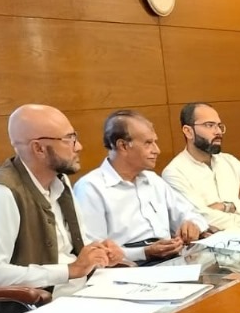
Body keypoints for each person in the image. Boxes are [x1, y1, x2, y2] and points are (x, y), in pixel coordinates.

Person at [0, 104, 121, 313]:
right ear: (39, 148)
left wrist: (98, 253)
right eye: (69, 139)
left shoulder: (60, 180)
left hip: (77, 299)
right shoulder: (3, 192)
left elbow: (69, 250)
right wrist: (70, 270)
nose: (79, 146)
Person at [74, 110, 208, 263]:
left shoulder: (153, 181)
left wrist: (192, 225)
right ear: (123, 146)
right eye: (148, 143)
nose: (157, 150)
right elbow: (93, 251)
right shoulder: (91, 187)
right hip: (127, 267)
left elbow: (194, 215)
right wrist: (144, 252)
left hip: (171, 259)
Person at [161, 102, 240, 232]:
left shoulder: (229, 161)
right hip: (214, 242)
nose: (218, 131)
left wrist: (229, 206)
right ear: (188, 131)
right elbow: (201, 218)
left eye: (219, 126)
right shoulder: (174, 172)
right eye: (209, 125)